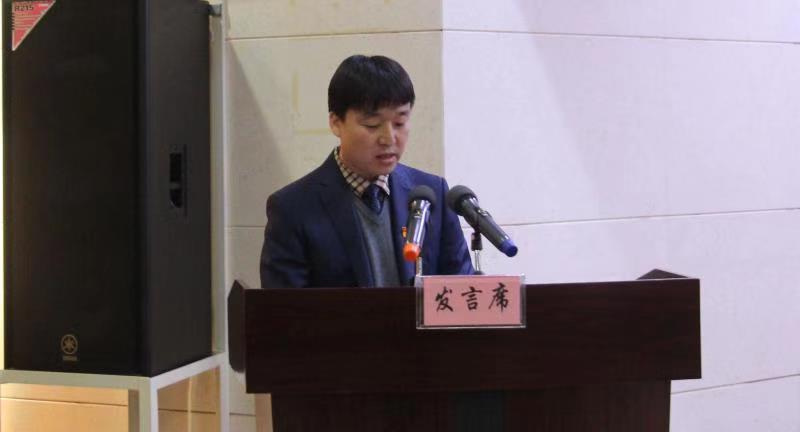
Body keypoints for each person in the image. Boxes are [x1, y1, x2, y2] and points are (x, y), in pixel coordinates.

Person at [260, 54, 473, 288]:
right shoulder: (293, 208)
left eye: (400, 123)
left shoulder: (432, 195)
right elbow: (284, 307)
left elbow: (463, 291)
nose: (389, 138)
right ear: (336, 123)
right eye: (372, 125)